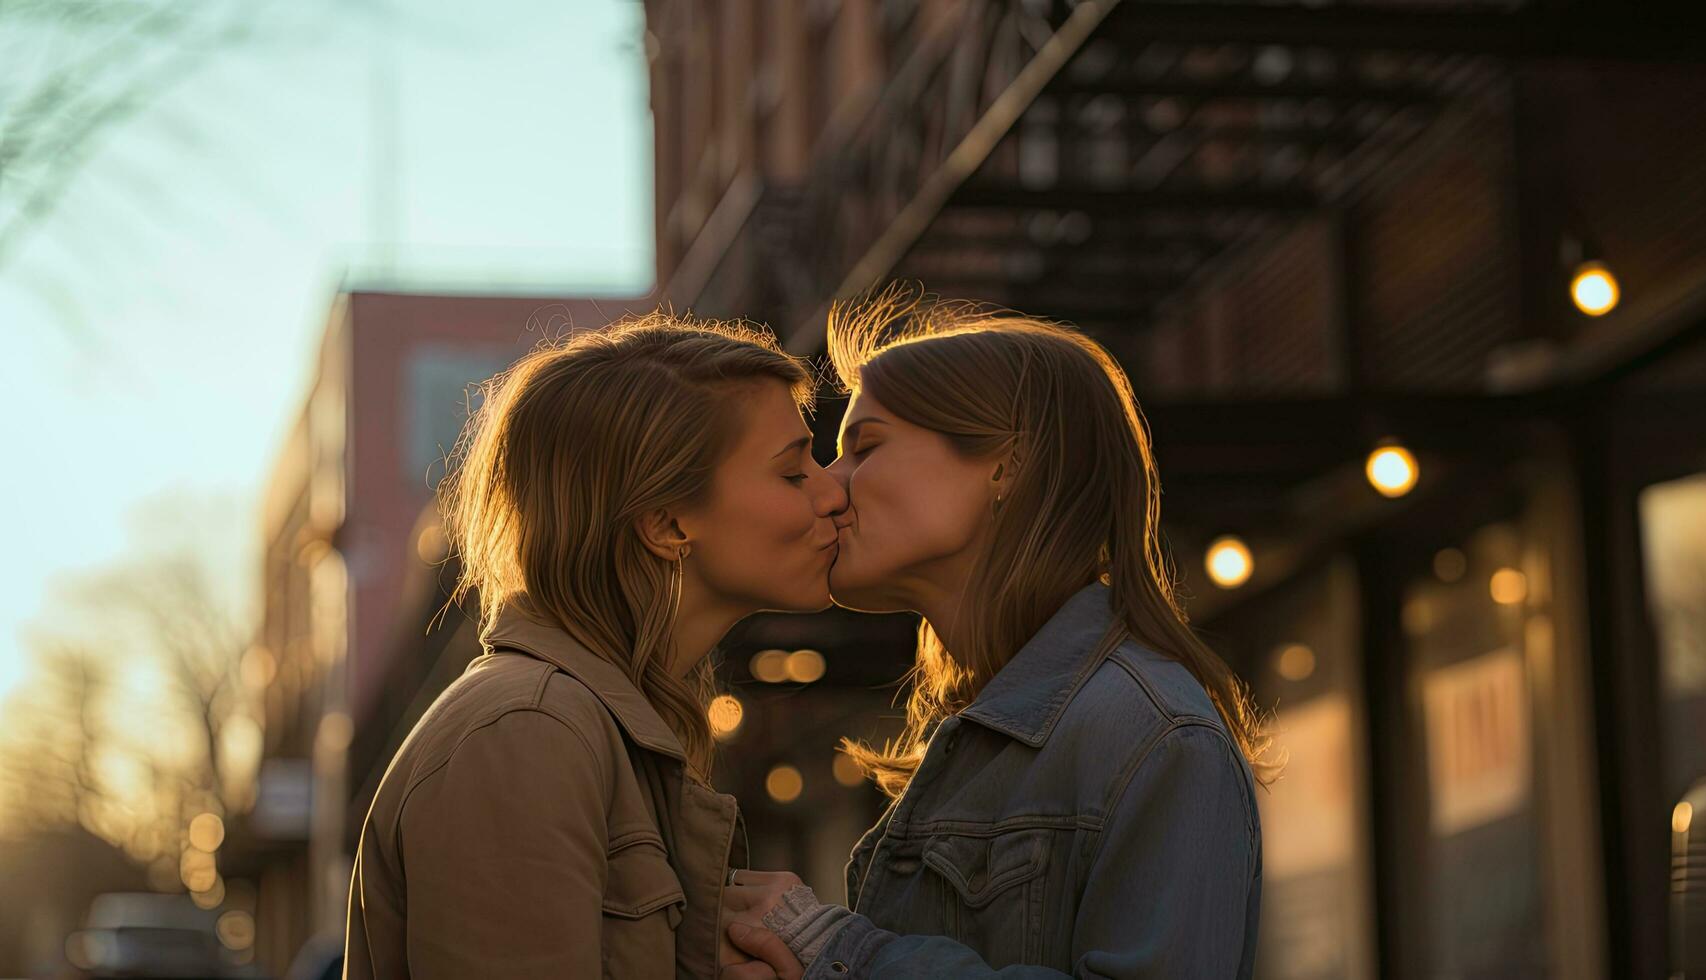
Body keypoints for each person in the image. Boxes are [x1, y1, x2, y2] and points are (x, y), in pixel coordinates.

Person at [722, 293, 1276, 979]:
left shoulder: (1152, 735)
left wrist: (839, 951)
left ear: (1006, 463)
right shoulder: (989, 732)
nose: (830, 491)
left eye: (864, 447)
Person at [343, 312, 848, 979]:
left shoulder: (598, 728)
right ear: (666, 522)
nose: (835, 488)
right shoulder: (526, 733)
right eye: (793, 473)